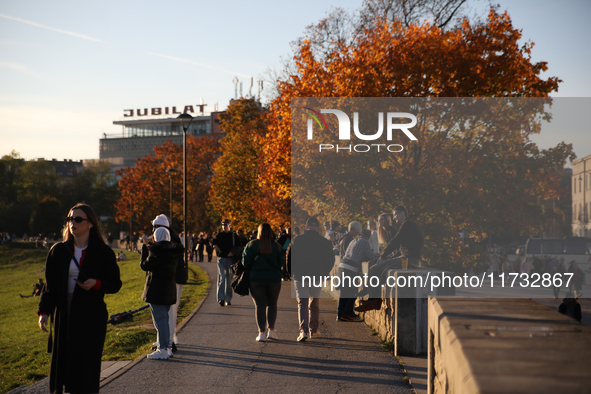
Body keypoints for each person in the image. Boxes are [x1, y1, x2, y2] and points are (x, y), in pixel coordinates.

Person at [37, 203, 122, 394]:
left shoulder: (103, 252)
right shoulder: (57, 251)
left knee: (85, 367)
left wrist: (96, 283)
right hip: (63, 315)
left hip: (90, 316)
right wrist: (44, 312)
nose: (72, 223)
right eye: (69, 219)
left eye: (77, 219)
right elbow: (48, 286)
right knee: (63, 364)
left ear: (90, 224)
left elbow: (115, 284)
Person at [355, 206, 424, 313]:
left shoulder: (407, 224)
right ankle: (374, 300)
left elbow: (396, 241)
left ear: (403, 213)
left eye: (396, 214)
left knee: (374, 269)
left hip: (409, 260)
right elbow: (402, 248)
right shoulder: (409, 225)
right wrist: (390, 258)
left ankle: (374, 301)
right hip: (409, 258)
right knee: (380, 270)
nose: (394, 217)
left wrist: (383, 257)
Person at [141, 227, 184, 359]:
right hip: (169, 289)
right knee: (164, 318)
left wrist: (144, 250)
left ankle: (163, 349)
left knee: (160, 321)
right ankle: (166, 347)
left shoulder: (156, 252)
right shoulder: (174, 251)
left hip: (157, 290)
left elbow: (145, 265)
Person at [289, 217, 335, 341]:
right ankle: (313, 330)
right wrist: (324, 272)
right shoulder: (324, 242)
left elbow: (289, 256)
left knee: (302, 303)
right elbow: (331, 259)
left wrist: (290, 273)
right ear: (318, 227)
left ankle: (303, 330)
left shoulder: (297, 240)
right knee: (314, 304)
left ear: (306, 227)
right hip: (316, 275)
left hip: (300, 275)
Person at [150, 214, 186, 351]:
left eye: (154, 227)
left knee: (170, 310)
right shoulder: (171, 238)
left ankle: (169, 340)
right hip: (173, 278)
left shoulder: (169, 240)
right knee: (168, 310)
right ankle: (165, 339)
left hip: (172, 279)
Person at [242, 223, 284, 341]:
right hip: (273, 279)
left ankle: (261, 333)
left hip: (256, 279)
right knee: (272, 304)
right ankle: (271, 330)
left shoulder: (251, 245)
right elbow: (281, 263)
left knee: (260, 305)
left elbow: (245, 262)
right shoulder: (277, 246)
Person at [338, 224, 375, 321]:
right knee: (353, 292)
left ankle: (339, 314)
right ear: (369, 236)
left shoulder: (354, 240)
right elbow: (371, 257)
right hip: (351, 268)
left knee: (344, 292)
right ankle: (345, 314)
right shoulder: (365, 242)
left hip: (342, 266)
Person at [212, 219, 242, 306]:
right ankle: (221, 298)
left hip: (231, 260)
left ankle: (228, 299)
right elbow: (213, 241)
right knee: (222, 277)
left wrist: (233, 252)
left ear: (230, 226)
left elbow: (239, 246)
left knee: (229, 280)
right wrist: (215, 245)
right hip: (221, 259)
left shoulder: (234, 235)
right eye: (222, 224)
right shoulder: (219, 235)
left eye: (225, 224)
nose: (224, 226)